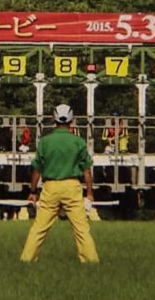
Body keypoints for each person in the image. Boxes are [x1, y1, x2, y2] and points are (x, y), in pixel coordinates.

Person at [20, 104, 99, 263]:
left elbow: (37, 169)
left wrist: (33, 192)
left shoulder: (45, 142)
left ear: (53, 118)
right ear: (72, 120)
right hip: (72, 187)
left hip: (51, 187)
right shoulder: (78, 142)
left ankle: (27, 259)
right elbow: (87, 170)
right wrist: (89, 193)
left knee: (39, 228)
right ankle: (91, 261)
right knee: (81, 229)